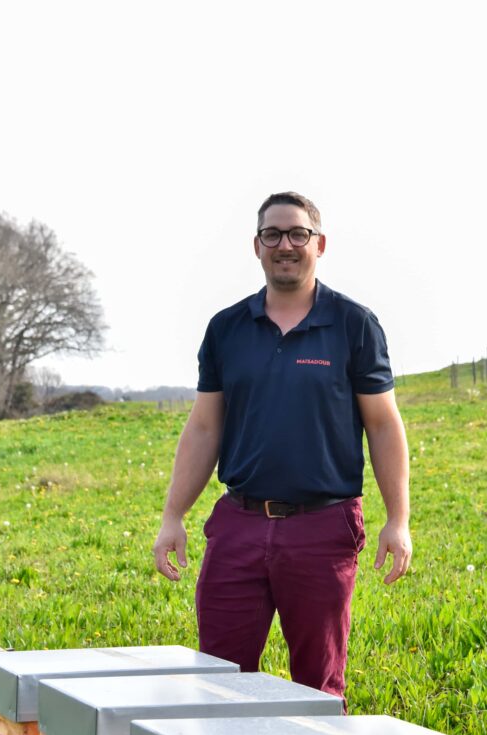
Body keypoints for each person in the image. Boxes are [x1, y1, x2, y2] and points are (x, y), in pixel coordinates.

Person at [153, 191, 411, 706]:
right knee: (218, 681)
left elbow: (383, 425)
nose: (285, 245)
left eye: (298, 234)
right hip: (239, 527)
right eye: (273, 235)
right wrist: (172, 515)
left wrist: (397, 520)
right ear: (257, 246)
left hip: (323, 527)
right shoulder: (227, 328)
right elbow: (205, 427)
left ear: (319, 243)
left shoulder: (353, 324)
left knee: (316, 689)